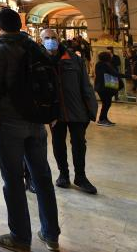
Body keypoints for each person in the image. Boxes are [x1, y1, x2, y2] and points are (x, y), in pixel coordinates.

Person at [0, 8, 61, 252]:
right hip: (36, 121)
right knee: (42, 177)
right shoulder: (33, 46)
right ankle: (51, 234)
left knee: (13, 180)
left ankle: (20, 237)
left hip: (10, 122)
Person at [42, 29, 98, 195]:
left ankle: (80, 176)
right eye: (47, 38)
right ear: (41, 40)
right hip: (55, 113)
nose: (50, 41)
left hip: (77, 110)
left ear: (59, 40)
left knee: (79, 144)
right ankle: (63, 175)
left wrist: (91, 110)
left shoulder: (74, 59)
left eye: (53, 38)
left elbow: (85, 85)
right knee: (58, 144)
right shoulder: (40, 61)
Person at [94, 51, 121, 127]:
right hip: (104, 87)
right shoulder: (104, 65)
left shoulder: (100, 64)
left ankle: (104, 118)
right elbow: (114, 73)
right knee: (106, 103)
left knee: (106, 103)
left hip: (103, 87)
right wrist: (130, 76)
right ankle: (101, 119)